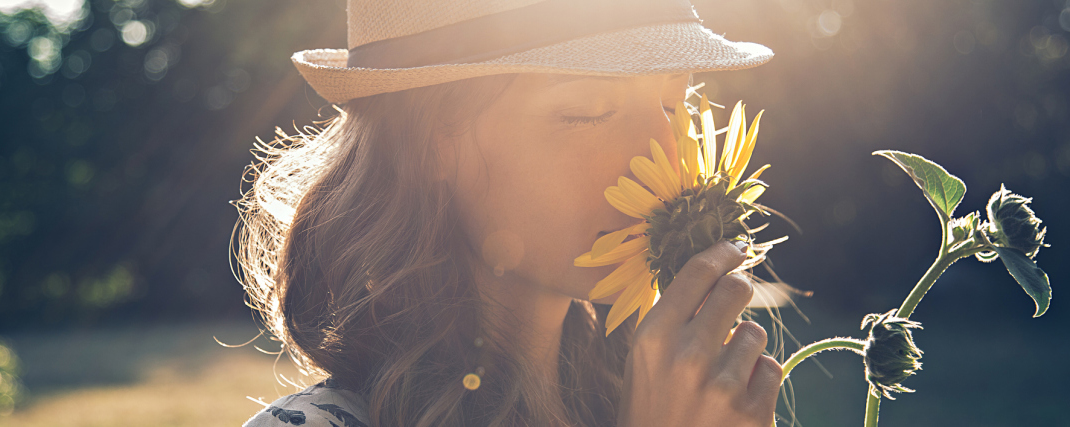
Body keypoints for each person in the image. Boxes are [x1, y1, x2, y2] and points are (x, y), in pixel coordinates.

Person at [235, 0, 782, 425]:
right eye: (585, 113)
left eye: (674, 104)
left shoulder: (683, 401)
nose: (668, 152)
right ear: (427, 146)